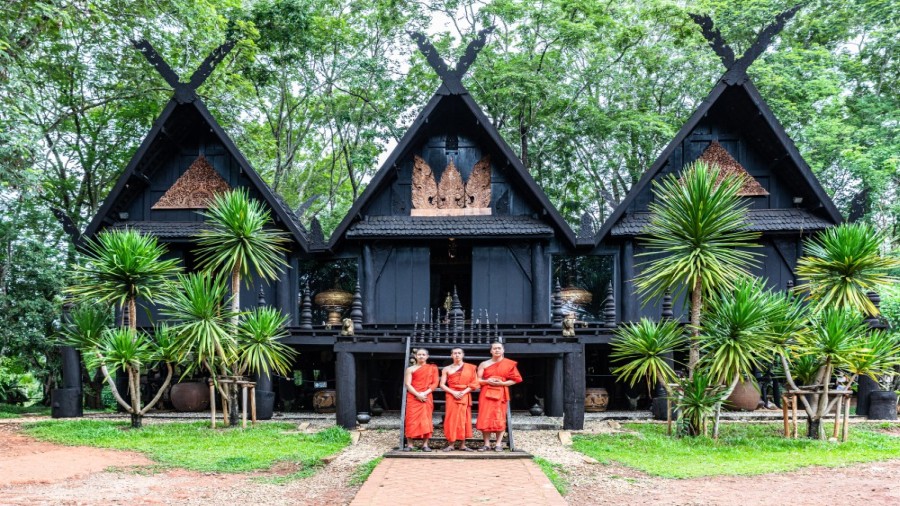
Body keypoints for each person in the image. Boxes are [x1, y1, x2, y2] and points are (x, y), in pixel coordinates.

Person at [476, 341, 522, 451]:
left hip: (501, 393)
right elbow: (477, 380)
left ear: (503, 350)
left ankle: (498, 444)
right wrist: (487, 381)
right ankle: (486, 444)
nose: (497, 350)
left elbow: (516, 379)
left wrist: (502, 383)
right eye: (494, 348)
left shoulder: (508, 363)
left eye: (499, 348)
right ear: (491, 351)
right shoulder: (484, 364)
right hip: (486, 393)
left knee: (499, 417)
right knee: (485, 417)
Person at [440, 348, 479, 451]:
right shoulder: (446, 369)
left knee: (463, 419)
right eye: (455, 353)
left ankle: (462, 445)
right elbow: (442, 384)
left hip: (464, 394)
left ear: (463, 355)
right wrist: (453, 392)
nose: (457, 355)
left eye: (459, 353)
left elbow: (474, 383)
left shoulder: (470, 368)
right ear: (451, 355)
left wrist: (464, 392)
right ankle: (451, 444)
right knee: (451, 419)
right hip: (451, 395)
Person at [404, 348, 439, 451]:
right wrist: (417, 394)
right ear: (415, 356)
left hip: (426, 396)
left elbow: (435, 383)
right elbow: (408, 384)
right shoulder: (410, 369)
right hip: (413, 396)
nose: (421, 356)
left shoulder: (432, 368)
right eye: (419, 354)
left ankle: (425, 444)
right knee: (411, 419)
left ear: (427, 356)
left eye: (423, 355)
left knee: (426, 420)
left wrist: (424, 393)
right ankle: (410, 444)